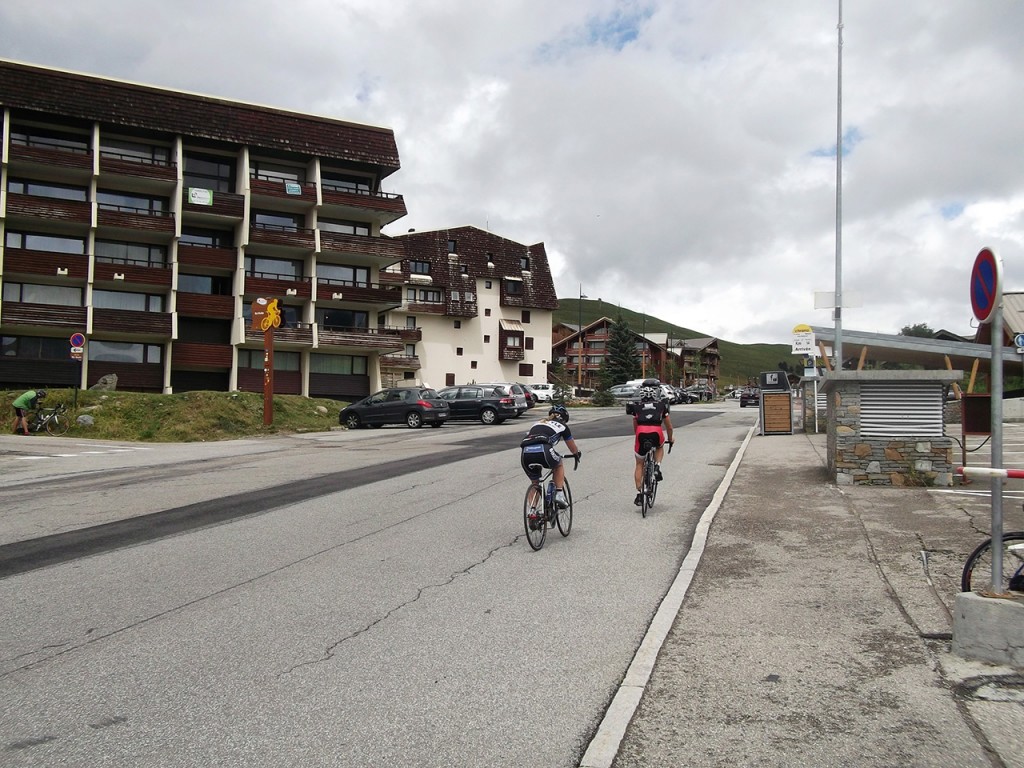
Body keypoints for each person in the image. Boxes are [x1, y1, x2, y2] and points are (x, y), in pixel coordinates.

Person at [519, 404, 581, 510]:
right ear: (564, 418)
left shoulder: (538, 423)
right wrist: (576, 454)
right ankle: (559, 494)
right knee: (559, 464)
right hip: (544, 449)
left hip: (525, 452)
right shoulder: (562, 426)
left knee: (535, 483)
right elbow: (572, 448)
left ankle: (532, 512)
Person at [632, 379, 674, 506]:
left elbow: (635, 424)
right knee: (660, 447)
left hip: (641, 433)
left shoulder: (637, 407)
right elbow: (669, 427)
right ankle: (657, 467)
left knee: (639, 464)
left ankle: (640, 493)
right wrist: (671, 439)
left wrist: (638, 436)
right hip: (656, 432)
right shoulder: (662, 406)